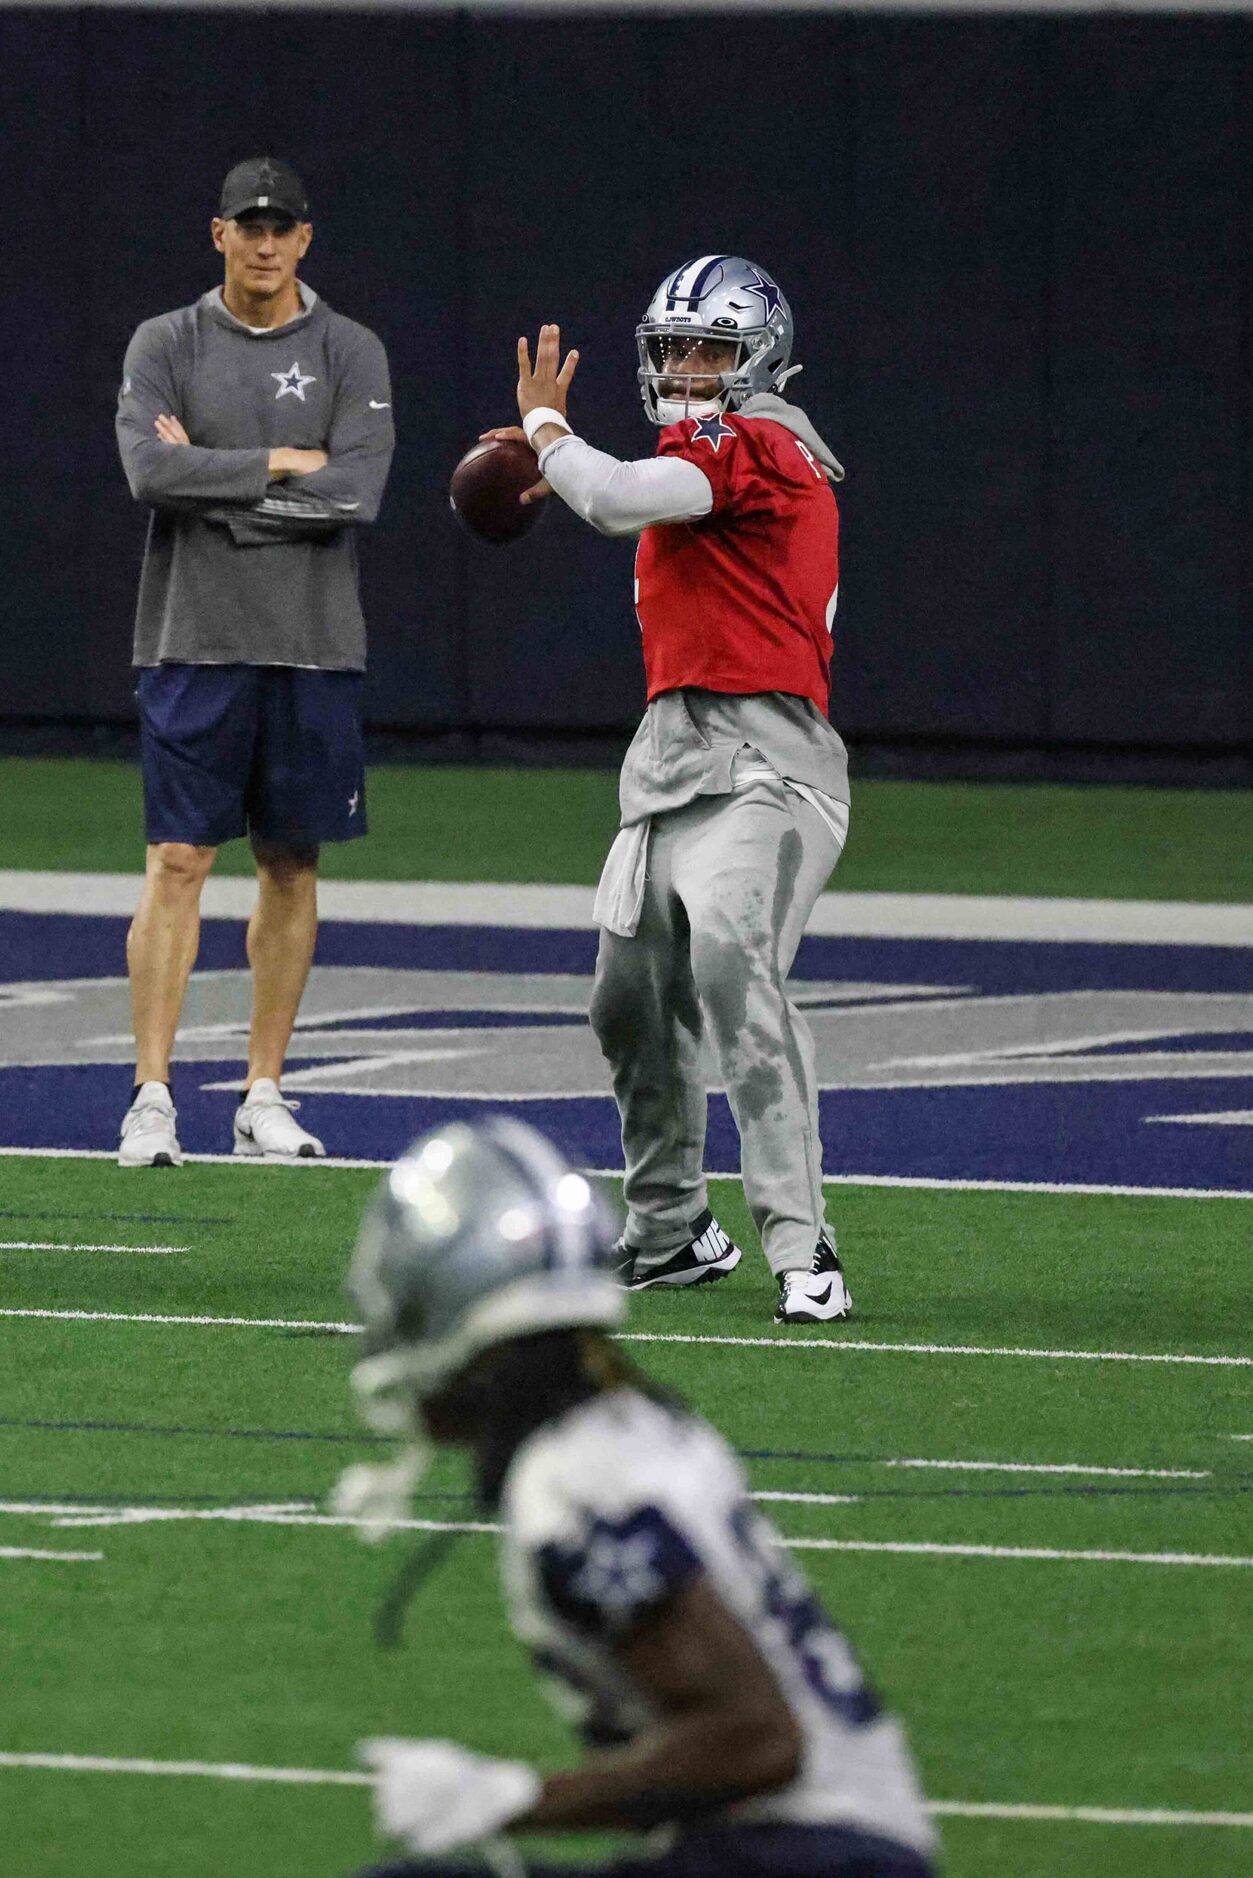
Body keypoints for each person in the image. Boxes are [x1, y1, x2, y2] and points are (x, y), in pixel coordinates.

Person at [335, 1117, 939, 1878]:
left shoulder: (575, 1480)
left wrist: (509, 1798)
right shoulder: (638, 1425)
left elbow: (757, 1739)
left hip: (805, 1857)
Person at [482, 258, 851, 1323]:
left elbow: (614, 499)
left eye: (710, 350)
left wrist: (547, 432)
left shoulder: (761, 442)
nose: (688, 369)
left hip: (767, 763)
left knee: (734, 968)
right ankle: (671, 1229)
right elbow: (623, 496)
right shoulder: (705, 453)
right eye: (675, 349)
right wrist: (560, 465)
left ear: (759, 360)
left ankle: (800, 1239)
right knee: (628, 1000)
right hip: (672, 754)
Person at [113, 157, 394, 1168]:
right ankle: (152, 1094)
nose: (266, 242)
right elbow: (149, 470)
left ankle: (261, 1092)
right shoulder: (168, 344)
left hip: (313, 648)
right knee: (179, 861)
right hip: (193, 638)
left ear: (305, 238)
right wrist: (279, 463)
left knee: (289, 862)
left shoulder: (350, 350)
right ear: (219, 232)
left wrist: (215, 489)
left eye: (282, 226)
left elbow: (357, 494)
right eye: (248, 224)